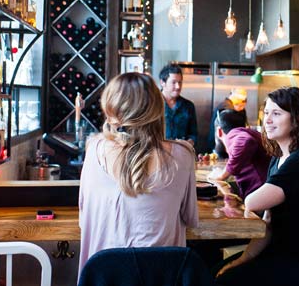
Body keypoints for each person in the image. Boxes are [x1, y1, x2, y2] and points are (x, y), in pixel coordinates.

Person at [78, 72, 199, 278]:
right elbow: (190, 218)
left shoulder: (94, 148)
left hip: (104, 280)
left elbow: (84, 216)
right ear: (156, 109)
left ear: (112, 109)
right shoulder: (183, 154)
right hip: (160, 279)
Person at [215, 87, 299, 286]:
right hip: (280, 252)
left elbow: (252, 202)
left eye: (277, 113)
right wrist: (244, 258)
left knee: (224, 281)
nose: (267, 120)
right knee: (215, 271)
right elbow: (268, 223)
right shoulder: (278, 159)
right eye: (267, 113)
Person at [208, 109, 271, 199]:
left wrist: (222, 176)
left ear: (219, 131)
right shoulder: (248, 132)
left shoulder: (234, 134)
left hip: (261, 195)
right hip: (265, 192)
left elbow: (246, 141)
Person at [159, 64, 198, 146]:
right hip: (158, 154)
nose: (178, 86)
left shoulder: (188, 106)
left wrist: (189, 143)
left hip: (181, 153)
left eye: (180, 82)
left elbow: (193, 134)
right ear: (162, 82)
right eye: (173, 82)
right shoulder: (153, 104)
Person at [208, 88, 248, 158]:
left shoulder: (226, 106)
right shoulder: (226, 109)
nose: (242, 108)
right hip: (221, 149)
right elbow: (230, 133)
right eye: (242, 104)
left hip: (219, 147)